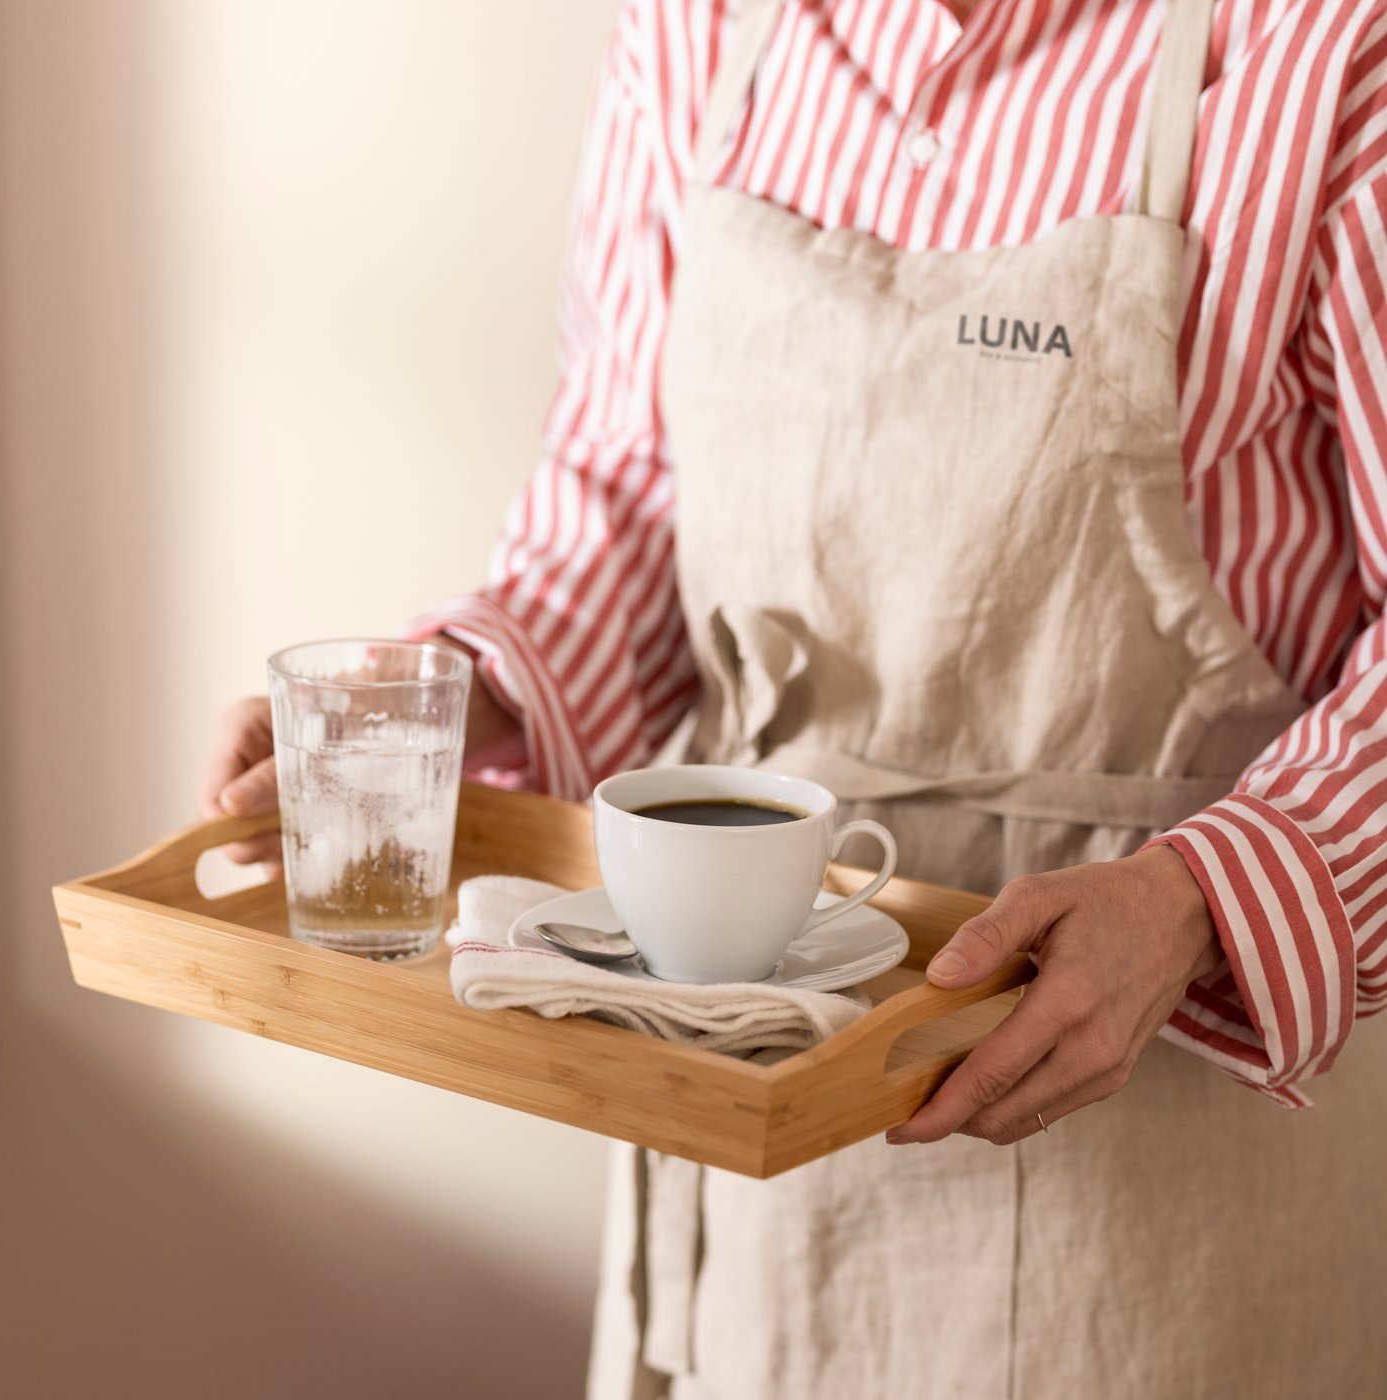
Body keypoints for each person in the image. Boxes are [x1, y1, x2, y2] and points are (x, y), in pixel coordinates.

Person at [201, 0, 1387, 1395]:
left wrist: (1201, 902)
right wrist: (462, 706)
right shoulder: (696, 28)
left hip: (1153, 1177)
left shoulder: (1327, 48)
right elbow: (630, 488)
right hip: (740, 1096)